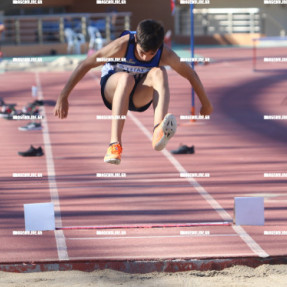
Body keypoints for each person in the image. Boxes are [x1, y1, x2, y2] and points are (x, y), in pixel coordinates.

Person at [54, 19, 213, 165]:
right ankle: (114, 144)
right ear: (136, 40)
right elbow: (85, 64)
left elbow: (190, 74)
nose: (145, 58)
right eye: (142, 52)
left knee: (160, 72)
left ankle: (158, 129)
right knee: (126, 79)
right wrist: (63, 96)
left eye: (150, 54)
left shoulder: (165, 53)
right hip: (113, 89)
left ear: (158, 48)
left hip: (138, 94)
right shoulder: (121, 46)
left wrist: (205, 104)